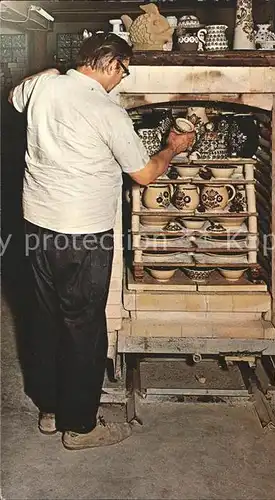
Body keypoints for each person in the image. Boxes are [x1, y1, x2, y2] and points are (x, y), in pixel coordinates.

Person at [8, 32, 194, 451]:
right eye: (123, 71)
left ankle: (51, 410)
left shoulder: (44, 86)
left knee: (44, 317)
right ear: (109, 63)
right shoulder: (106, 111)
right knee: (83, 326)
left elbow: (14, 97)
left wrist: (50, 72)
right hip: (83, 233)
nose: (121, 80)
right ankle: (81, 426)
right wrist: (173, 148)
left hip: (37, 224)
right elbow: (145, 175)